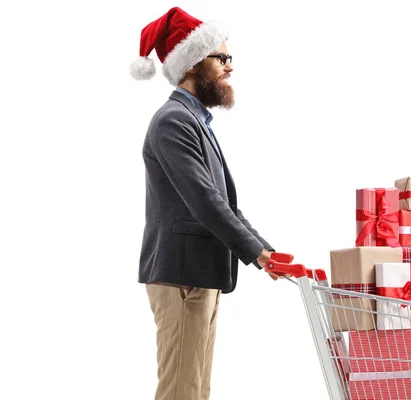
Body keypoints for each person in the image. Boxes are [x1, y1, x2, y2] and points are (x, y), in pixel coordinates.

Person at [130, 7, 283, 400]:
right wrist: (259, 258)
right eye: (222, 58)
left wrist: (269, 251)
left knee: (196, 390)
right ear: (194, 63)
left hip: (200, 276)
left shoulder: (194, 121)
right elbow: (205, 202)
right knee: (182, 391)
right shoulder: (173, 121)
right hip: (182, 278)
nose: (230, 67)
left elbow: (226, 205)